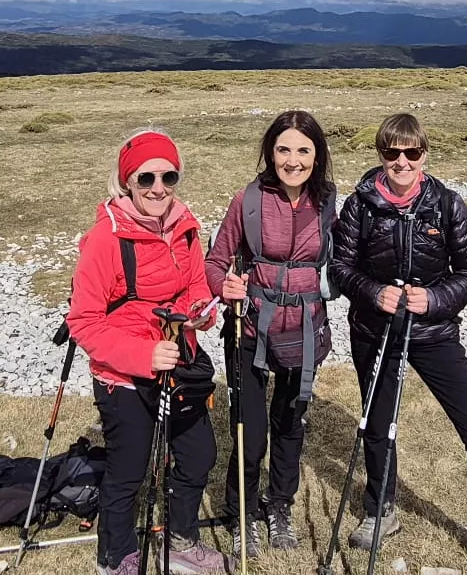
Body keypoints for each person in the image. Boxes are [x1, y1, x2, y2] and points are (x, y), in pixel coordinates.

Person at [331, 113, 467, 575]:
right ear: (380, 154)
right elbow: (341, 268)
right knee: (378, 425)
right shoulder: (359, 205)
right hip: (376, 331)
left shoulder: (447, 204)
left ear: (424, 154)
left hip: (434, 333)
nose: (402, 162)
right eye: (392, 152)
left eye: (412, 152)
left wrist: (434, 299)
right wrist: (373, 293)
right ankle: (380, 511)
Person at [64, 128, 230, 575]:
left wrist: (199, 314)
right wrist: (143, 356)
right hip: (124, 374)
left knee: (198, 456)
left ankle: (181, 543)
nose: (159, 188)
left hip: (178, 364)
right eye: (146, 178)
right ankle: (115, 557)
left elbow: (195, 288)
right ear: (127, 182)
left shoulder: (185, 227)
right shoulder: (105, 239)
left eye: (168, 177)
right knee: (128, 470)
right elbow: (83, 321)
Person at [204, 110, 337, 557]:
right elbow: (215, 262)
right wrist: (222, 285)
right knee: (251, 433)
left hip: (304, 332)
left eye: (303, 150)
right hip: (249, 331)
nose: (292, 160)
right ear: (270, 152)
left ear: (317, 156)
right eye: (283, 149)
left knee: (290, 425)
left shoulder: (329, 203)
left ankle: (280, 504)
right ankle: (241, 511)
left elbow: (348, 260)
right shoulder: (248, 201)